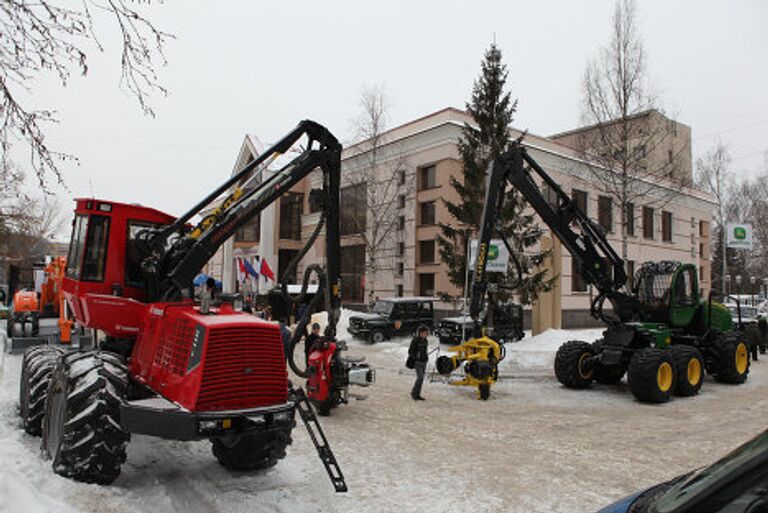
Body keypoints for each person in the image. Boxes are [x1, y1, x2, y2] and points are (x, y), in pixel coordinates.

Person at [408, 325, 430, 401]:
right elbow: (410, 351)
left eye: (426, 333)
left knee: (421, 379)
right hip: (417, 362)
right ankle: (414, 393)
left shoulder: (426, 340)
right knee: (420, 377)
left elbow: (425, 350)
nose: (425, 334)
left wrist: (426, 357)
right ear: (420, 333)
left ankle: (417, 394)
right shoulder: (415, 340)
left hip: (424, 361)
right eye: (424, 332)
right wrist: (416, 356)